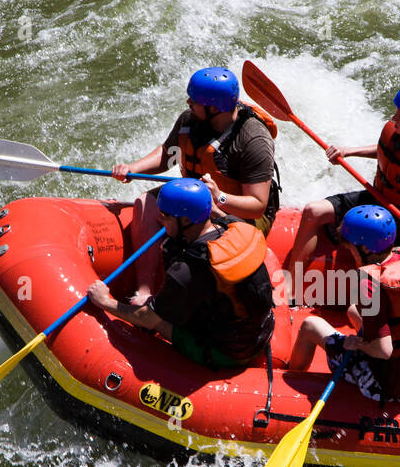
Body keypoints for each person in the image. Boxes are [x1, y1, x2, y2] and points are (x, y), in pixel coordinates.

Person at [112, 66, 280, 304]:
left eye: (195, 99)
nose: (188, 101)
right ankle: (144, 290)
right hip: (199, 195)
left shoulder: (254, 138)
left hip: (239, 207)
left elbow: (257, 205)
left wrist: (219, 197)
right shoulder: (189, 120)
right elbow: (167, 154)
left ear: (214, 108)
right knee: (146, 203)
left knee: (201, 238)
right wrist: (133, 168)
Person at [285, 83, 400, 299]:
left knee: (369, 256)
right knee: (313, 211)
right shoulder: (396, 130)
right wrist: (347, 151)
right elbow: (385, 151)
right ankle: (290, 285)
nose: (394, 117)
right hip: (376, 198)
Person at [86, 178, 275, 370]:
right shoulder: (235, 225)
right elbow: (217, 213)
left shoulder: (188, 269)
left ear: (185, 220)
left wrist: (105, 301)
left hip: (228, 353)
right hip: (261, 333)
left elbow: (147, 318)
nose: (160, 220)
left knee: (158, 322)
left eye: (165, 216)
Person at [288, 205, 400, 406]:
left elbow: (383, 351)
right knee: (352, 310)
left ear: (365, 249)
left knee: (310, 326)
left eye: (351, 249)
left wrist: (358, 344)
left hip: (384, 384)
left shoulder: (369, 286)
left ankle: (291, 379)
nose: (350, 254)